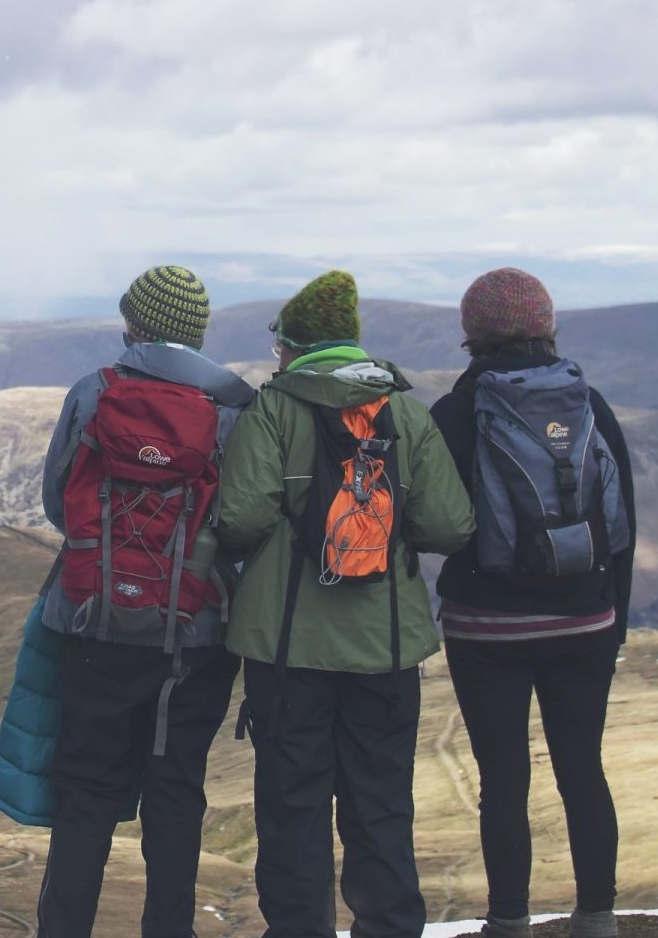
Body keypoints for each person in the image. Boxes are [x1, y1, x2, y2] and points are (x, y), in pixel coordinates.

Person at [218, 269, 475, 938]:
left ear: (294, 348)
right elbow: (450, 527)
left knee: (292, 807)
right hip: (384, 650)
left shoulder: (272, 412)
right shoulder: (406, 414)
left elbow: (240, 518)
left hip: (285, 651)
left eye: (280, 346)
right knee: (381, 805)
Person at [26, 264, 257, 938]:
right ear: (196, 332)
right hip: (195, 637)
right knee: (176, 794)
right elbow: (242, 524)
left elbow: (57, 502)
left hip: (95, 628)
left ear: (132, 324)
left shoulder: (94, 394)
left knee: (86, 797)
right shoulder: (236, 408)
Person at [428, 268, 636, 938]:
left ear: (472, 335)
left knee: (503, 777)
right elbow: (621, 522)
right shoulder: (590, 405)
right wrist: (614, 621)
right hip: (585, 621)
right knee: (583, 768)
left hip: (486, 628)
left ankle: (509, 921)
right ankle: (597, 917)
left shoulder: (456, 413)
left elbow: (436, 523)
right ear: (549, 326)